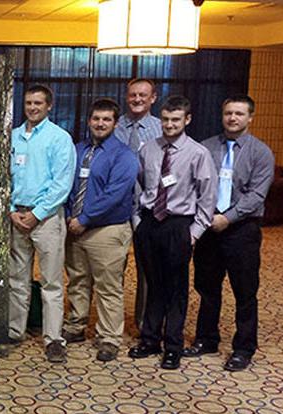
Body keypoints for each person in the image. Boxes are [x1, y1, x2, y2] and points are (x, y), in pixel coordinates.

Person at [185, 95, 275, 371]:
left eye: (238, 114)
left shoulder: (261, 153)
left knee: (245, 291)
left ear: (250, 118)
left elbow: (257, 195)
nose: (232, 118)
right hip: (208, 228)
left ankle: (244, 348)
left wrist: (228, 217)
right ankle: (206, 339)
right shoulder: (206, 148)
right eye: (228, 113)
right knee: (207, 287)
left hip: (242, 230)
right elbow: (193, 185)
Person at [128, 95, 217, 370]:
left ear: (187, 120)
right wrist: (137, 221)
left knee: (176, 288)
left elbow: (207, 196)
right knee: (153, 284)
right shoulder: (149, 149)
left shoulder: (198, 153)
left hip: (179, 225)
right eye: (165, 119)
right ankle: (150, 339)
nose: (169, 125)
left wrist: (194, 233)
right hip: (149, 224)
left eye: (175, 120)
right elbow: (140, 186)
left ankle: (173, 345)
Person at [63, 98, 138, 362]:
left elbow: (115, 195)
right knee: (78, 280)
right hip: (75, 228)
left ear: (115, 123)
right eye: (96, 119)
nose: (100, 123)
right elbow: (67, 185)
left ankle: (108, 338)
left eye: (106, 119)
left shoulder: (124, 155)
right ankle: (76, 325)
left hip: (106, 230)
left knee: (108, 286)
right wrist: (70, 217)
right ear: (89, 121)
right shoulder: (78, 149)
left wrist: (85, 218)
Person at [8, 84, 76, 363]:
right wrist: (11, 210)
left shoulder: (59, 139)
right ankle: (14, 331)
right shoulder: (11, 137)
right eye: (28, 103)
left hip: (46, 219)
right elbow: (4, 177)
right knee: (16, 279)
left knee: (51, 282)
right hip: (15, 217)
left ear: (49, 106)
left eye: (38, 103)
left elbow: (62, 184)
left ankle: (53, 339)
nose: (33, 107)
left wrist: (37, 214)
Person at [113, 78, 162, 331]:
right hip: (116, 208)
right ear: (126, 96)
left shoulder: (162, 128)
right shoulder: (114, 125)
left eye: (143, 95)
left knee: (148, 270)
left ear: (153, 98)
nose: (137, 99)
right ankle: (111, 324)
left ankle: (145, 324)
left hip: (148, 210)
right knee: (112, 270)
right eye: (133, 95)